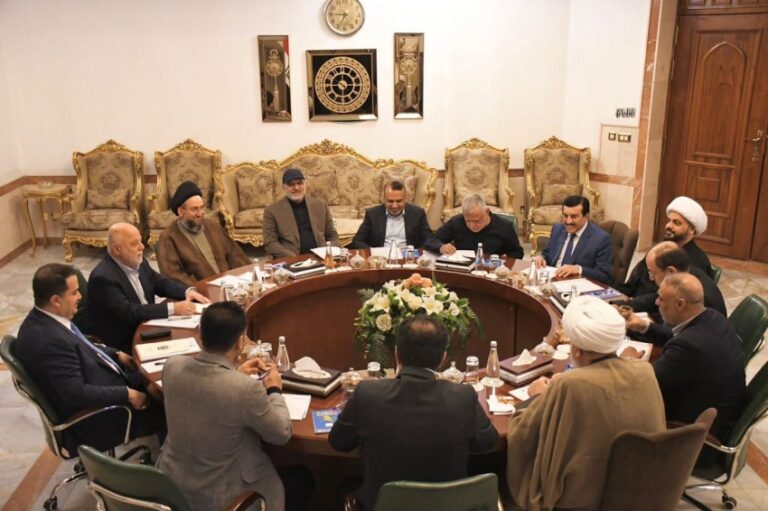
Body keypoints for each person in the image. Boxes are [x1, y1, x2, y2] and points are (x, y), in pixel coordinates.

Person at [506, 295, 666, 511]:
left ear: (577, 350)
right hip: (637, 493)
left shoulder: (571, 384)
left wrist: (536, 396)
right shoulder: (645, 371)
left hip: (580, 502)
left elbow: (522, 433)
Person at [329, 315, 498, 509]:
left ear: (397, 353)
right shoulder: (463, 396)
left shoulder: (368, 393)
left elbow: (339, 442)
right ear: (443, 358)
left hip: (385, 506)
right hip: (449, 506)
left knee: (346, 487)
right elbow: (488, 441)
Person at [158, 302, 309, 511]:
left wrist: (234, 374)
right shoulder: (245, 389)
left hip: (172, 487)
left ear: (200, 334)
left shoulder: (172, 366)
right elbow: (281, 434)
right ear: (240, 342)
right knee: (302, 479)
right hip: (222, 498)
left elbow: (206, 390)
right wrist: (274, 389)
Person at [16, 263, 165, 455]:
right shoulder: (48, 342)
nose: (80, 297)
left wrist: (115, 354)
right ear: (56, 300)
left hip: (109, 380)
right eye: (74, 292)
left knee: (164, 378)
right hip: (101, 415)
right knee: (172, 405)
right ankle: (170, 464)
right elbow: (76, 394)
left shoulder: (46, 319)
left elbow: (83, 345)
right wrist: (128, 394)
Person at [624, 273, 745, 441]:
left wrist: (628, 360)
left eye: (661, 298)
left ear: (680, 304)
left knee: (620, 404)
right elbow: (678, 336)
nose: (657, 302)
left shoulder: (690, 347)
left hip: (696, 433)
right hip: (717, 411)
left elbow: (644, 383)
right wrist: (644, 326)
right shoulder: (713, 317)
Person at [88, 223, 209, 352]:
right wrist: (173, 308)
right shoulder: (103, 278)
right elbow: (129, 312)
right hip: (125, 341)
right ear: (117, 249)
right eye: (134, 244)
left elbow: (160, 283)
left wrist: (187, 291)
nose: (142, 247)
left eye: (140, 241)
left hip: (150, 325)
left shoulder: (138, 262)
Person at [624, 242, 726, 345]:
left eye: (652, 272)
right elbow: (652, 299)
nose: (651, 278)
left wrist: (646, 326)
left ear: (671, 271)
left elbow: (677, 339)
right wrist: (622, 306)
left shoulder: (696, 296)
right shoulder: (684, 276)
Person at [157, 181, 251, 286]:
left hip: (229, 285)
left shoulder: (213, 226)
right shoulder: (168, 238)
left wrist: (248, 274)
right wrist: (200, 288)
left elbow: (235, 254)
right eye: (194, 209)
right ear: (180, 211)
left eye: (202, 207)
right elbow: (172, 275)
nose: (200, 213)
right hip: (200, 291)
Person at [619, 195, 713, 297]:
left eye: (676, 223)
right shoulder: (660, 249)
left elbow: (673, 298)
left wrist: (632, 304)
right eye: (669, 220)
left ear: (692, 230)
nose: (668, 226)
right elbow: (632, 284)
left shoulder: (698, 262)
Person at [262, 168, 339, 258]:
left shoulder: (320, 205)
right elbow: (270, 243)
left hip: (321, 257)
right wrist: (292, 257)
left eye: (300, 183)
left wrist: (328, 252)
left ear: (305, 184)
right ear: (283, 187)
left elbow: (332, 234)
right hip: (292, 259)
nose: (296, 188)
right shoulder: (272, 211)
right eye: (291, 184)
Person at [537, 195, 612, 283]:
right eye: (565, 216)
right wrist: (542, 258)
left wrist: (578, 269)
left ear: (586, 216)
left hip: (577, 285)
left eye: (574, 216)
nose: (568, 221)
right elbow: (547, 253)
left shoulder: (601, 239)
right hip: (551, 282)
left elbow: (604, 275)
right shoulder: (557, 229)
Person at [423, 194, 523, 258]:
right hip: (463, 270)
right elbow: (430, 240)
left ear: (487, 211)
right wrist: (441, 247)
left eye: (477, 221)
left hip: (492, 271)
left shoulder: (505, 226)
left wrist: (504, 260)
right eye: (468, 221)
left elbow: (517, 252)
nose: (472, 225)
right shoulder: (456, 221)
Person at [351, 180, 432, 249]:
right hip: (381, 258)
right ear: (384, 199)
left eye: (399, 201)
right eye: (390, 201)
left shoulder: (418, 213)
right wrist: (374, 252)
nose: (394, 206)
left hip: (408, 257)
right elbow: (358, 241)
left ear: (405, 199)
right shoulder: (372, 214)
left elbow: (429, 239)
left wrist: (417, 253)